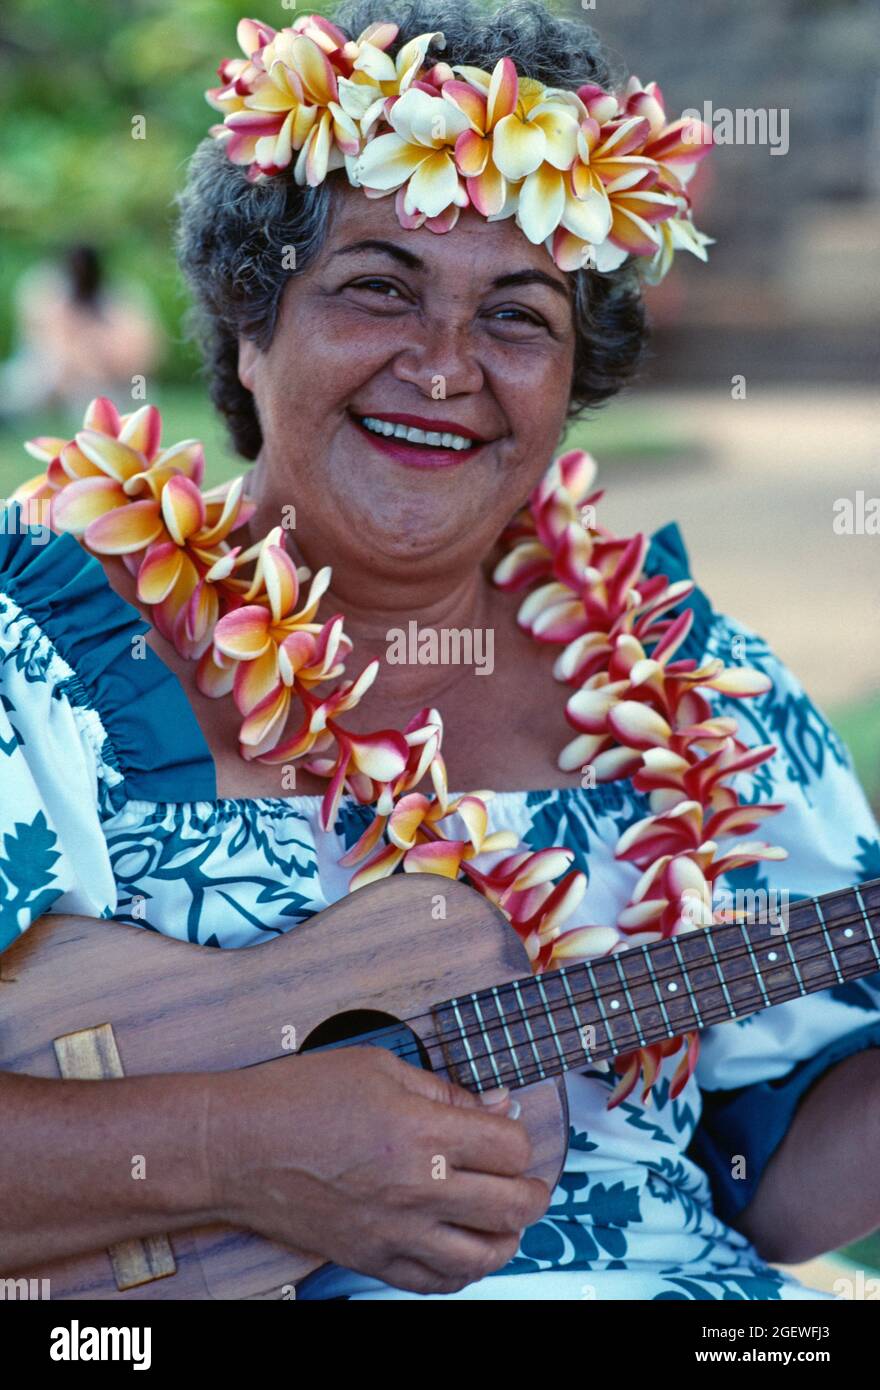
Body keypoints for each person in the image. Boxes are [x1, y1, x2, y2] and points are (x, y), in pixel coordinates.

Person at [1, 0, 879, 1302]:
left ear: (575, 377)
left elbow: (773, 1177)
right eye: (378, 287)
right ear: (252, 324)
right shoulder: (51, 658)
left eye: (518, 317)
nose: (446, 364)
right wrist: (230, 1151)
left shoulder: (698, 683)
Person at [0, 244, 162, 419]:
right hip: (54, 374)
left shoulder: (121, 296)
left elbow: (143, 352)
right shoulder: (46, 291)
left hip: (112, 379)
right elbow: (53, 348)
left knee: (140, 387)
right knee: (43, 377)